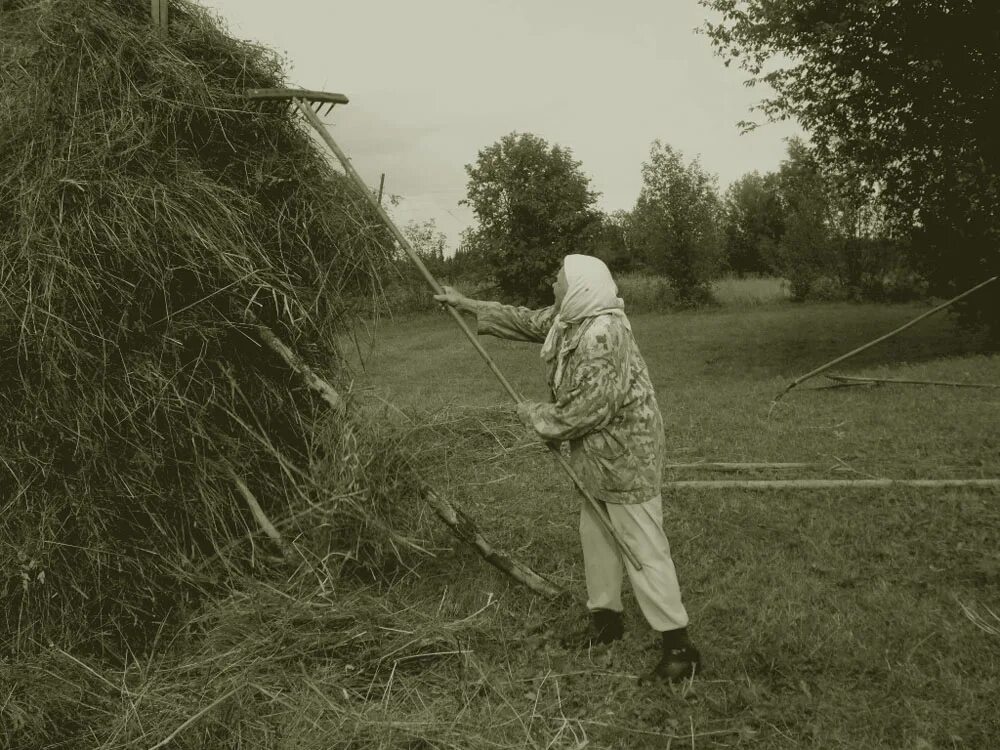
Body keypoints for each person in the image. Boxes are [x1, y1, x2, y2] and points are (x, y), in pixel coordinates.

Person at [434, 254, 701, 683]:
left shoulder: (604, 334)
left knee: (641, 544)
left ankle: (679, 648)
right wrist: (468, 304)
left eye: (559, 278)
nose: (553, 283)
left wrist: (534, 415)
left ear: (579, 286)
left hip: (626, 454)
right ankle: (606, 620)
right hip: (595, 455)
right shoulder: (571, 318)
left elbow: (587, 409)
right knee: (596, 535)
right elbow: (528, 321)